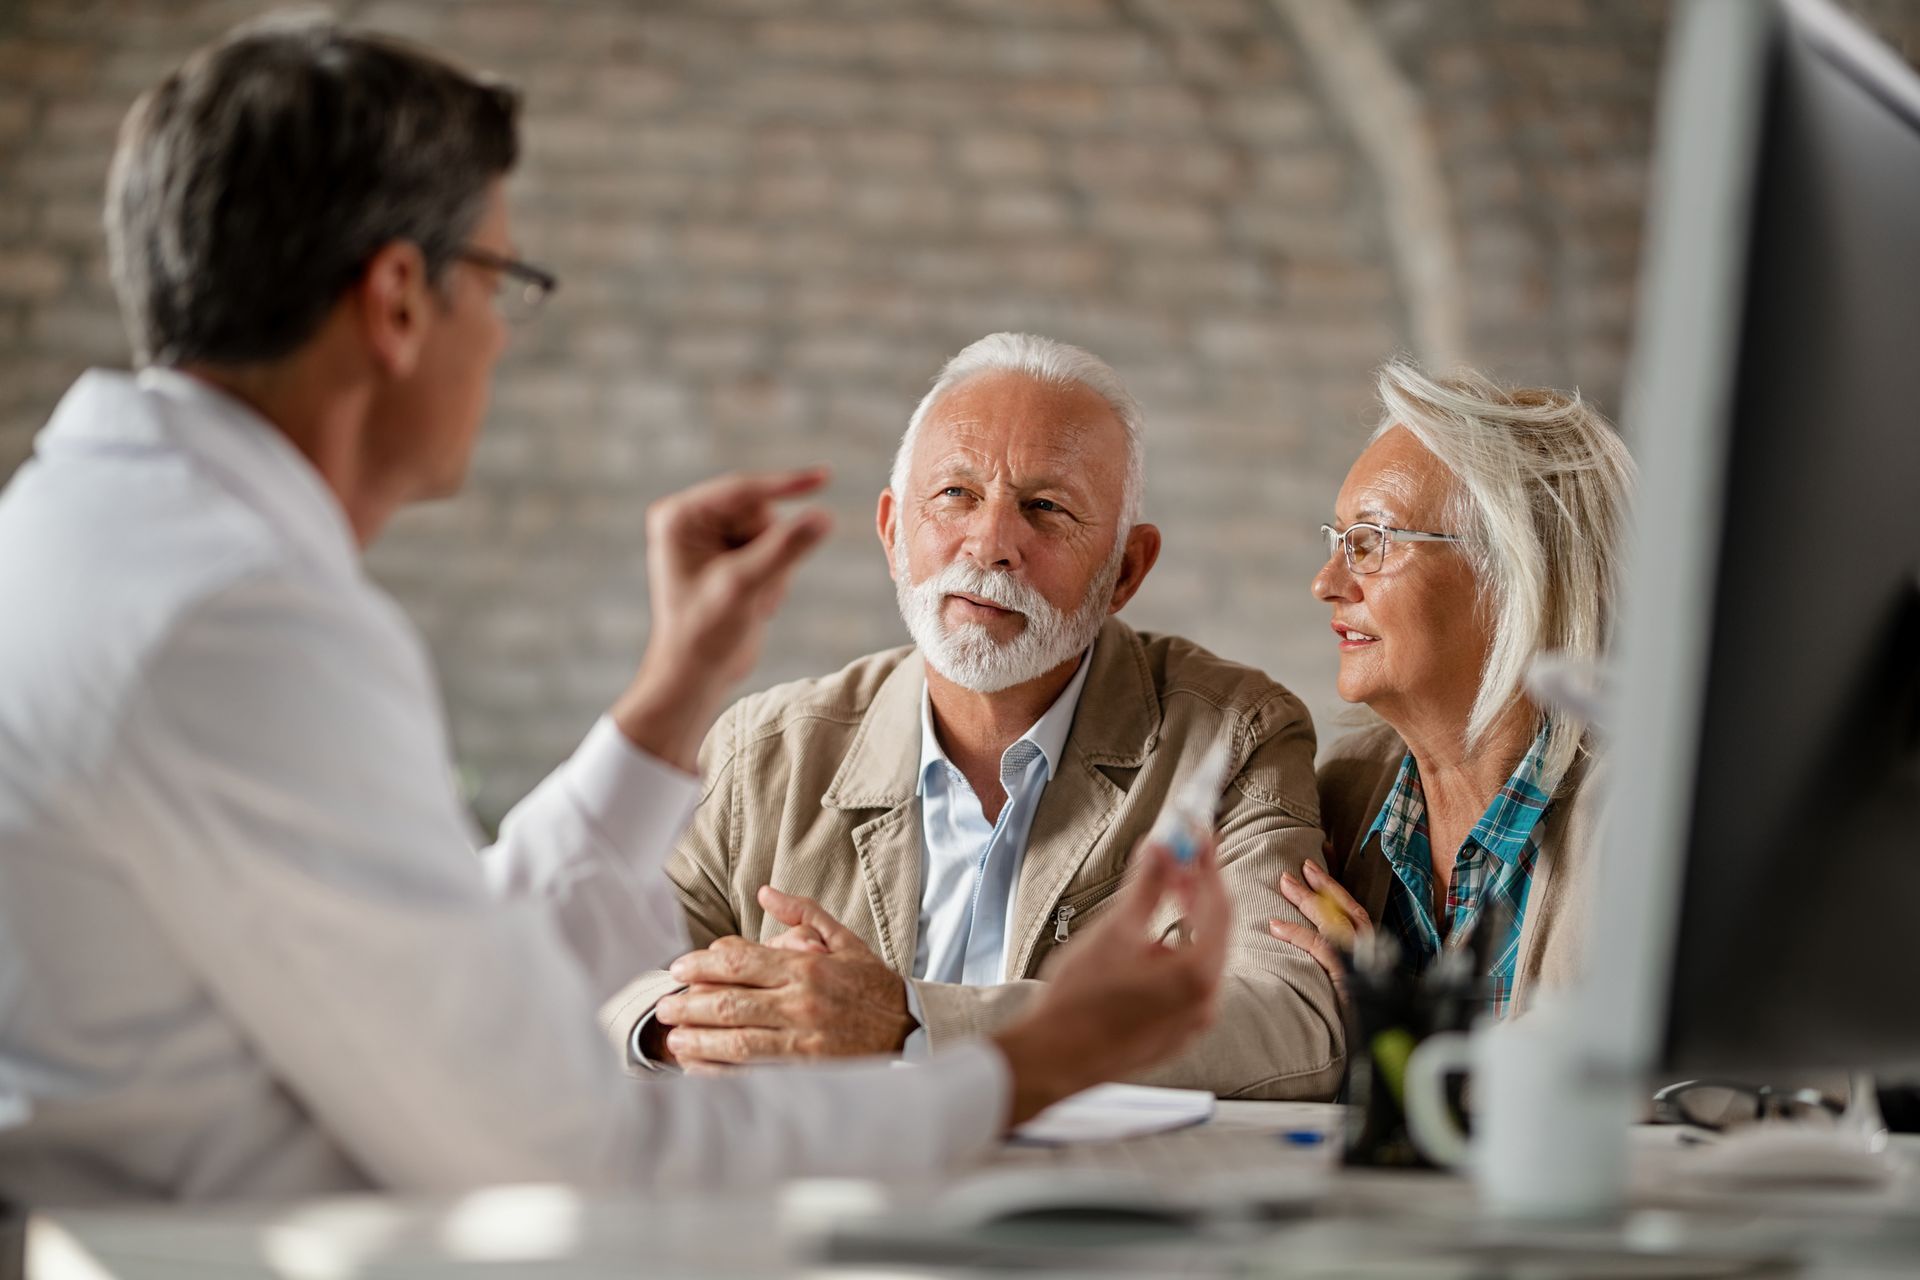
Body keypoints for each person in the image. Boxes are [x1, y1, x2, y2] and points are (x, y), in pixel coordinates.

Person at [0, 17, 1233, 1205]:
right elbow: (570, 1140)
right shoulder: (243, 621)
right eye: (501, 278)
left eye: (1047, 509)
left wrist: (666, 701)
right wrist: (1025, 1060)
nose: (500, 334)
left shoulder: (82, 534)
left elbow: (450, 971)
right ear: (397, 301)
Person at [602, 333, 1344, 1102]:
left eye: (1047, 508)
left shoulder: (1233, 738)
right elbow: (593, 975)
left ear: (1125, 571)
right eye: (955, 495)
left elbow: (1289, 1022)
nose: (991, 545)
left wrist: (912, 1023)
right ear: (893, 532)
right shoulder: (763, 751)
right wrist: (684, 1026)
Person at [1267, 361, 1633, 1017]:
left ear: (1516, 575)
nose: (1326, 583)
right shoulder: (1343, 798)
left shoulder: (1640, 821)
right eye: (1338, 540)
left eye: (1371, 541)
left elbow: (1681, 1089)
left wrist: (1398, 1027)